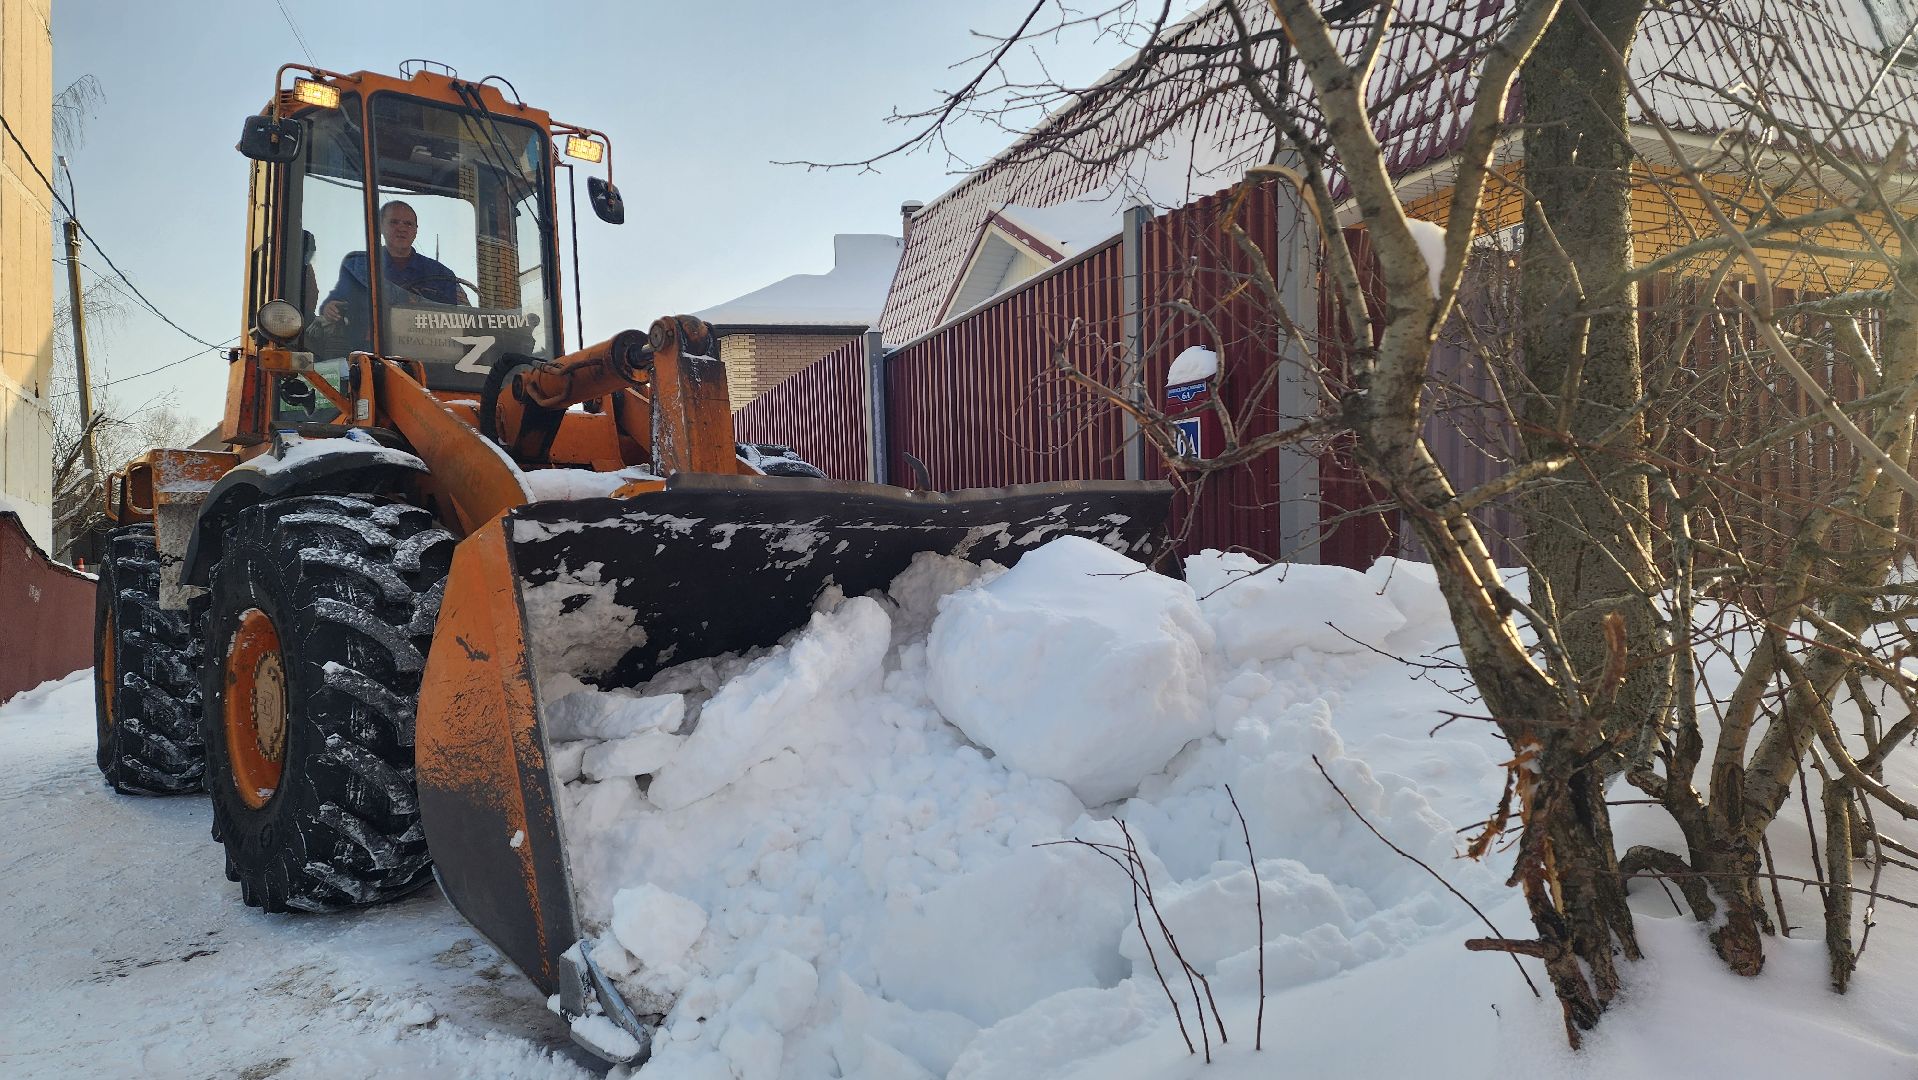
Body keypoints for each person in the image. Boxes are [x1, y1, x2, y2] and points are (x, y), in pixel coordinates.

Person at [317, 200, 461, 348]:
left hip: (424, 353)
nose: (402, 228)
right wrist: (330, 308)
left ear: (416, 230)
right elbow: (334, 302)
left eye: (408, 224)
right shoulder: (357, 266)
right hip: (366, 354)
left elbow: (454, 323)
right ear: (380, 226)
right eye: (394, 222)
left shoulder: (441, 274)